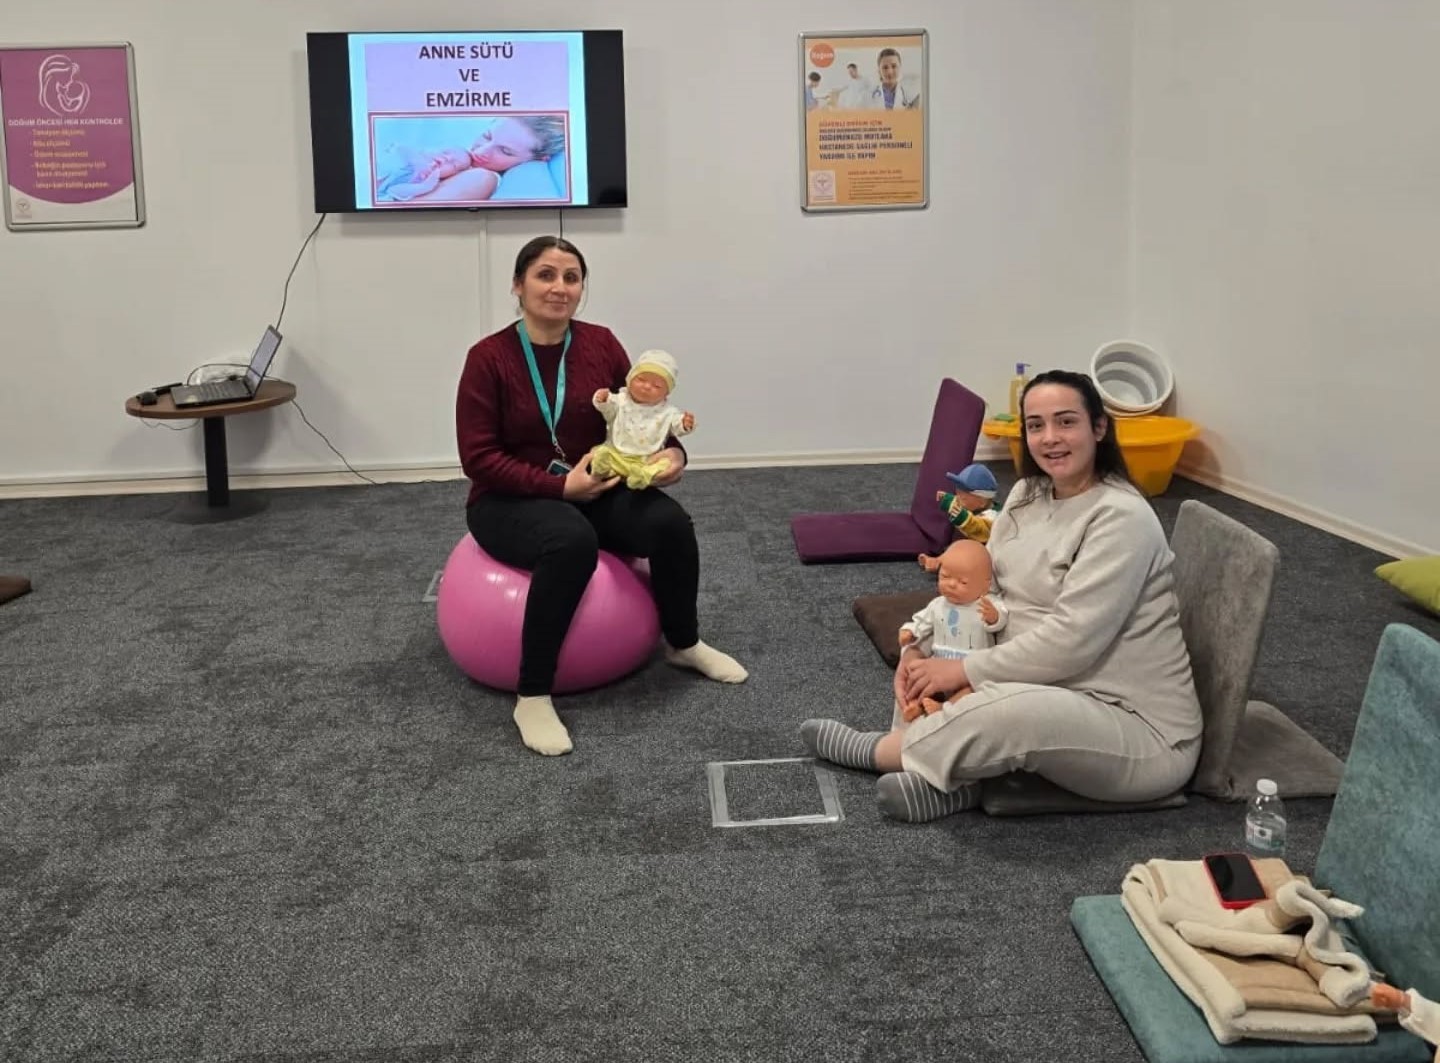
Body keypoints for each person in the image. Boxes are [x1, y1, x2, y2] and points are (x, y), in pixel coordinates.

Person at [800, 369, 1202, 822]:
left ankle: (879, 752)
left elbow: (1071, 643)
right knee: (937, 671)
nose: (1050, 437)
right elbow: (981, 587)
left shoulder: (1121, 517)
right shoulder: (1028, 493)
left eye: (1066, 421)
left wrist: (963, 670)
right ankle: (956, 785)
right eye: (1036, 425)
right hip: (1044, 681)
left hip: (1133, 725)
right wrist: (921, 647)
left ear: (1098, 427)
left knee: (1008, 712)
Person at [457, 236, 747, 757]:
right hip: (507, 499)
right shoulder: (488, 358)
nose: (559, 288)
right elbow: (478, 459)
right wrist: (558, 487)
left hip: (595, 483)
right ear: (518, 285)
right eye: (545, 275)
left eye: (571, 278)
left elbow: (641, 414)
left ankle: (683, 643)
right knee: (570, 542)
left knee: (669, 524)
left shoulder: (601, 343)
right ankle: (532, 694)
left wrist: (673, 455)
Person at [898, 539, 1007, 722]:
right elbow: (922, 621)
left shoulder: (985, 604)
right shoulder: (938, 604)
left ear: (985, 586)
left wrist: (994, 617)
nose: (951, 584)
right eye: (945, 576)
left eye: (962, 582)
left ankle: (944, 707)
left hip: (969, 665)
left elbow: (1002, 619)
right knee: (917, 678)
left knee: (971, 690)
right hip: (938, 661)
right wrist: (910, 631)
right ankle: (914, 705)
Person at [591, 349, 696, 490]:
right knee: (598, 452)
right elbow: (609, 410)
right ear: (629, 380)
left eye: (657, 386)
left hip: (646, 459)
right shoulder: (620, 400)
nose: (646, 387)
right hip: (616, 452)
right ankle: (603, 469)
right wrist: (603, 400)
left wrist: (684, 424)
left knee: (664, 463)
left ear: (666, 393)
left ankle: (642, 476)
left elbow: (675, 426)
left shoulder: (667, 412)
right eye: (641, 380)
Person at [411, 116, 567, 203]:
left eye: (505, 151)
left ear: (539, 159)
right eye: (487, 136)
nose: (480, 151)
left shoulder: (482, 178)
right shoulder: (454, 155)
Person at [376, 146, 481, 202]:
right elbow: (399, 148)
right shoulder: (417, 155)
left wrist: (424, 187)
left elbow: (393, 190)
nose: (447, 158)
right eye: (445, 152)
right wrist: (417, 161)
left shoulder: (427, 183)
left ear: (452, 176)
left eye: (453, 164)